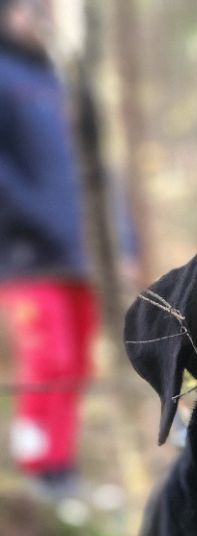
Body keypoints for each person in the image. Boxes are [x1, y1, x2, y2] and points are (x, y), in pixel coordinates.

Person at [0, 0, 97, 502]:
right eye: (27, 7)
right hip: (27, 256)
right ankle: (39, 469)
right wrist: (39, 220)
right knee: (47, 358)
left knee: (77, 360)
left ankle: (64, 470)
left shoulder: (58, 83)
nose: (38, 16)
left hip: (78, 254)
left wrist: (118, 241)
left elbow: (93, 172)